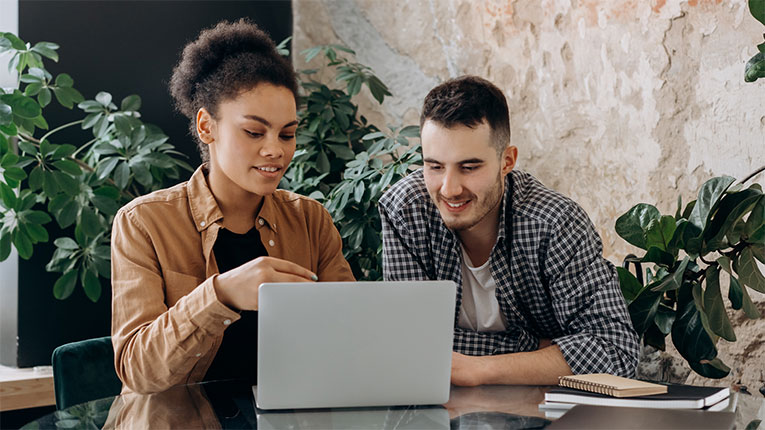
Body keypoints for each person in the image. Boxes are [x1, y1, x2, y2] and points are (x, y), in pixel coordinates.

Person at [110, 19, 354, 394]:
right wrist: (220, 295)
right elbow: (139, 371)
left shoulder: (310, 220)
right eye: (254, 132)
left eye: (287, 133)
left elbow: (351, 338)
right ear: (207, 127)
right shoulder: (143, 223)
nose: (276, 149)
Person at [378, 76, 639, 386]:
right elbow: (410, 348)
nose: (449, 189)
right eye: (434, 166)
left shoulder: (554, 222)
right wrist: (535, 346)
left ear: (507, 161)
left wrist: (478, 369)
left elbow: (616, 351)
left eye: (469, 167)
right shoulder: (405, 211)